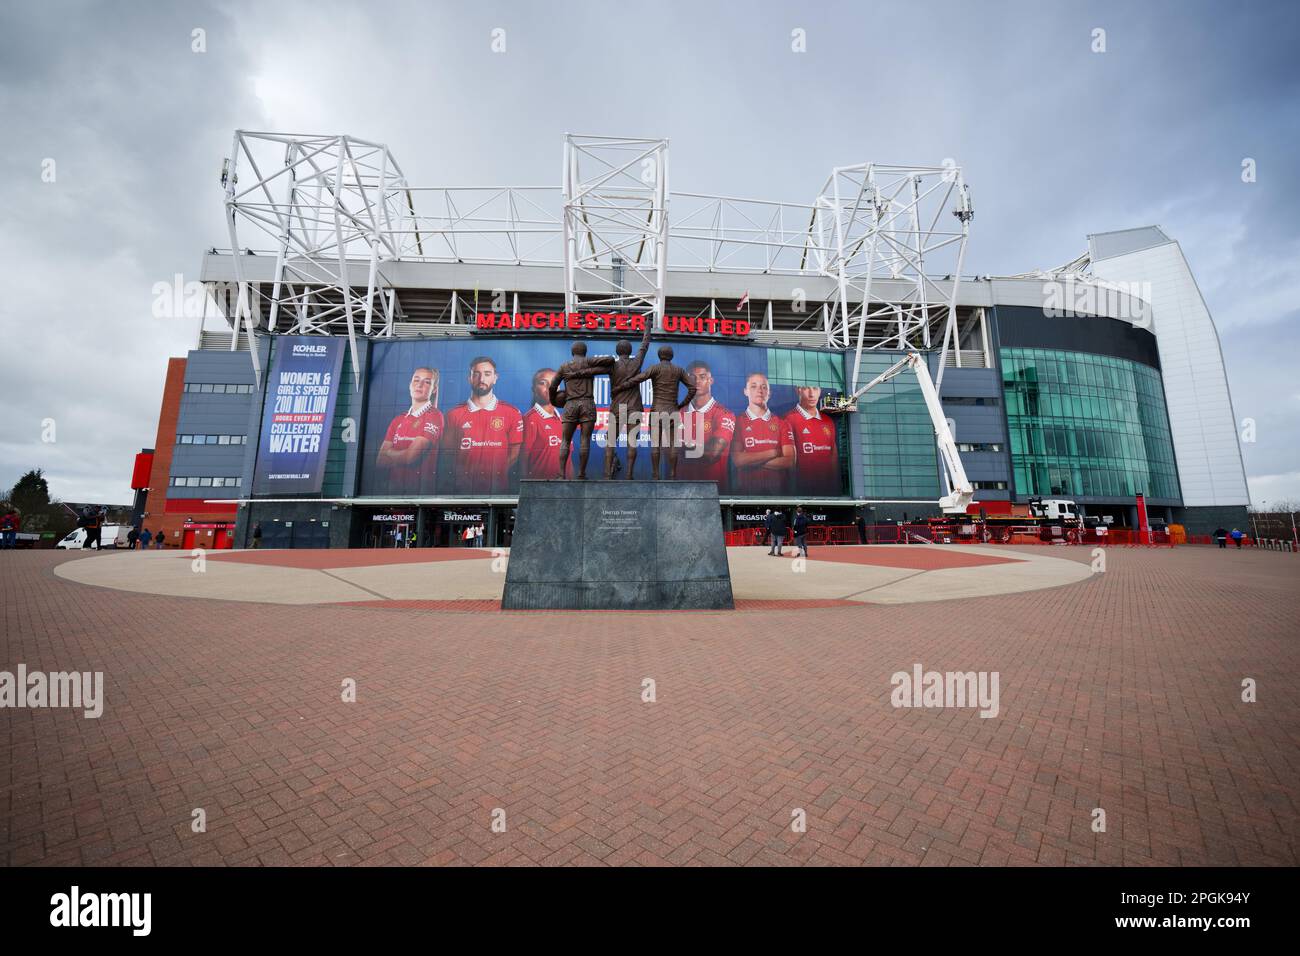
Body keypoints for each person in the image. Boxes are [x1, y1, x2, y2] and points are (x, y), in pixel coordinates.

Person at [441, 356, 523, 493]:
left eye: (487, 374)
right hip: (462, 490)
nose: (482, 379)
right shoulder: (453, 414)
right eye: (476, 374)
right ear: (469, 377)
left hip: (498, 490)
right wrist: (463, 474)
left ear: (495, 378)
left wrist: (497, 472)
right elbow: (448, 453)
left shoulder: (512, 412)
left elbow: (515, 452)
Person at [629, 345, 697, 480]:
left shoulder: (655, 368)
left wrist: (626, 381)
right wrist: (682, 404)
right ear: (671, 356)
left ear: (660, 356)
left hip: (657, 411)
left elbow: (638, 378)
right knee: (673, 445)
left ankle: (655, 475)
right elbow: (693, 388)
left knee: (655, 445)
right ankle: (672, 474)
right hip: (672, 410)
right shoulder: (678, 370)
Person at [552, 344, 616, 480]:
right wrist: (592, 368)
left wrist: (553, 401)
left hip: (570, 404)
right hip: (587, 403)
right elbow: (610, 359)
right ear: (585, 352)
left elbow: (553, 385)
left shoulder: (564, 366)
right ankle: (581, 473)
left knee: (565, 441)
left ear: (572, 352)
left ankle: (561, 474)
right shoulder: (588, 361)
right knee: (585, 440)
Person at [376, 367, 443, 494]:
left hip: (421, 496)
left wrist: (389, 452)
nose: (419, 384)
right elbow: (380, 461)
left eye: (427, 382)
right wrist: (401, 454)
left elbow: (410, 458)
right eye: (416, 380)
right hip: (393, 495)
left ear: (434, 389)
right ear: (410, 385)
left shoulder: (434, 416)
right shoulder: (398, 420)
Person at [602, 321, 654, 480]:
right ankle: (629, 475)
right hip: (634, 407)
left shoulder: (611, 366)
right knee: (632, 441)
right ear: (630, 351)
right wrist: (647, 327)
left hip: (618, 407)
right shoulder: (636, 362)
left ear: (617, 352)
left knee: (610, 441)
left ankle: (606, 476)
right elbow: (644, 345)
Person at [731, 372, 795, 494]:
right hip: (746, 495)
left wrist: (750, 459)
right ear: (745, 391)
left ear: (769, 393)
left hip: (779, 494)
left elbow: (789, 461)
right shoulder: (737, 422)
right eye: (753, 386)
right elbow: (738, 460)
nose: (759, 390)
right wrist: (774, 452)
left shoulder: (783, 423)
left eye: (764, 387)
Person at [677, 360, 737, 491]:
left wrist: (679, 444)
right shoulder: (677, 413)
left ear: (711, 380)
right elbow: (665, 450)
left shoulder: (724, 414)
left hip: (714, 494)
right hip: (680, 493)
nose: (697, 381)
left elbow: (712, 452)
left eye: (702, 377)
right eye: (692, 377)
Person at [784, 386, 840, 496]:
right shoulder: (788, 419)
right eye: (806, 389)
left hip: (827, 489)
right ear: (798, 390)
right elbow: (787, 461)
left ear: (820, 391)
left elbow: (833, 455)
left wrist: (835, 485)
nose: (811, 394)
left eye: (815, 389)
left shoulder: (828, 421)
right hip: (802, 490)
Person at [522, 368, 565, 479]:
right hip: (540, 488)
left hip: (564, 488)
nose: (549, 388)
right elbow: (523, 460)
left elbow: (568, 461)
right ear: (534, 389)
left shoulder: (563, 421)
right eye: (543, 383)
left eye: (554, 383)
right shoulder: (530, 419)